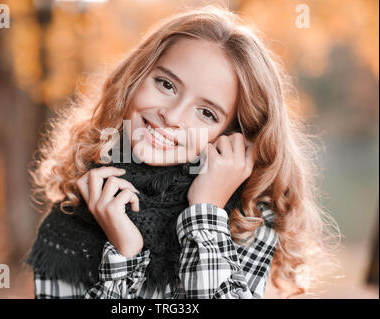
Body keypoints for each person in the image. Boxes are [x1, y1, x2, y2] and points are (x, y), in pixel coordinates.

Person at [26, 5, 340, 299]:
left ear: (231, 137)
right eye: (165, 84)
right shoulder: (71, 215)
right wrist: (125, 254)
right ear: (134, 79)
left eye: (207, 113)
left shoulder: (249, 217)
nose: (173, 117)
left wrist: (205, 213)